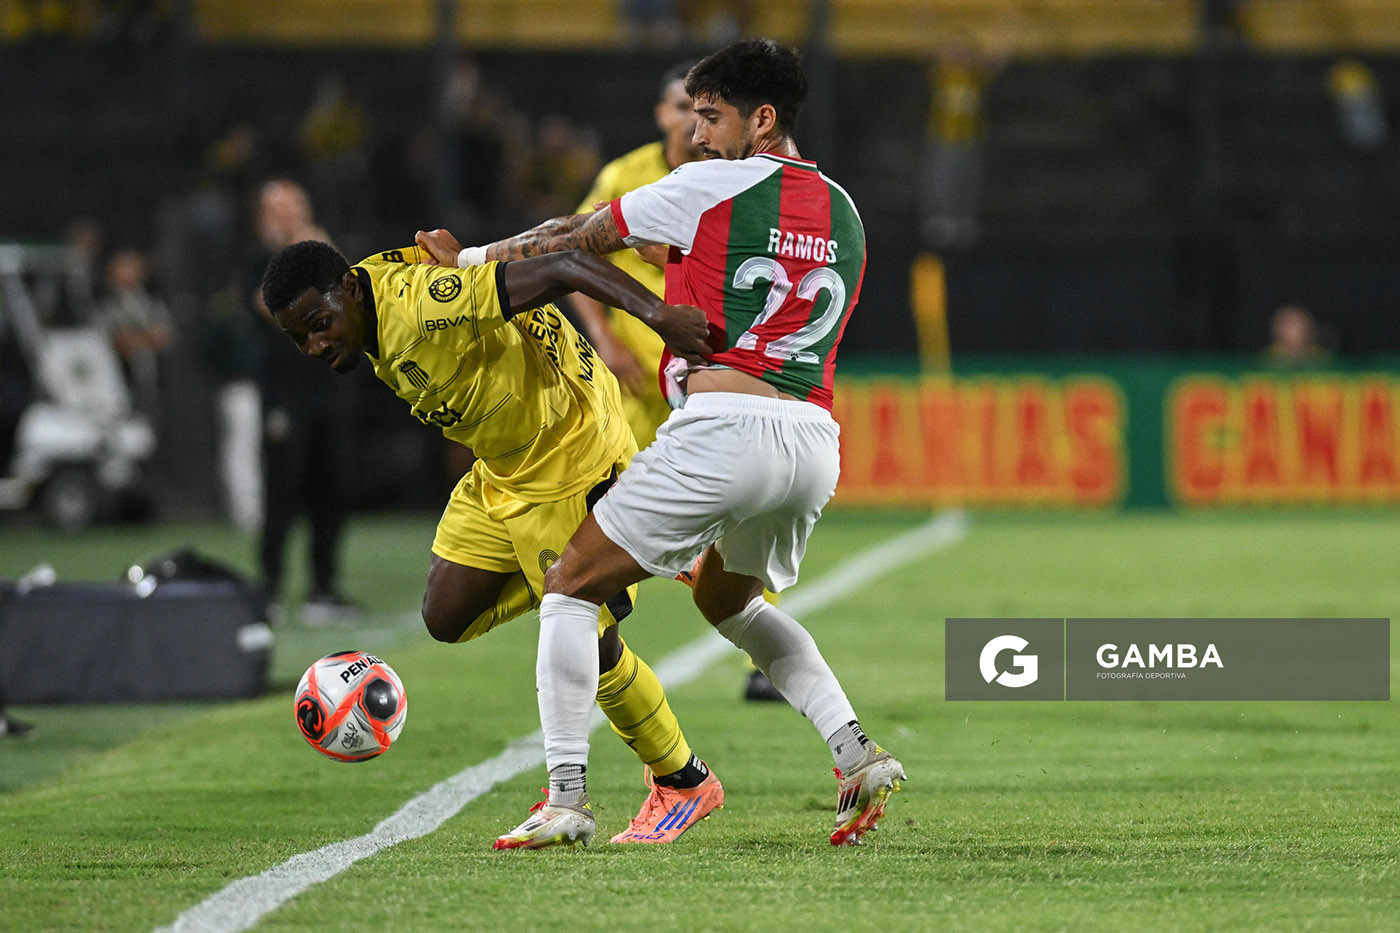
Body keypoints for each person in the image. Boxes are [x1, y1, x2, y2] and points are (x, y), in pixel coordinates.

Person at [417, 38, 905, 849]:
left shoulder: (708, 183)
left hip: (725, 431)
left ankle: (567, 795)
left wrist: (467, 261)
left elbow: (570, 237)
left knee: (570, 586)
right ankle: (857, 751)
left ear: (762, 118)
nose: (696, 132)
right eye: (691, 115)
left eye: (710, 115)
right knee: (730, 599)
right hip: (812, 439)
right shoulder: (843, 207)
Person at [259, 238, 719, 849]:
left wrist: (657, 316)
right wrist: (464, 256)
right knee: (445, 616)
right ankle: (641, 551)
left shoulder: (420, 306)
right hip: (501, 468)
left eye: (319, 325)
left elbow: (561, 268)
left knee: (590, 637)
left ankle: (682, 779)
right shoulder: (370, 293)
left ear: (347, 290)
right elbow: (449, 254)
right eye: (301, 338)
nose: (316, 345)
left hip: (566, 450)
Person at [570, 60, 785, 703]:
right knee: (601, 499)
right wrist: (605, 341)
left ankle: (757, 654)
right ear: (662, 115)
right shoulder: (626, 176)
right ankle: (597, 628)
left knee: (740, 512)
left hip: (708, 375)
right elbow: (579, 248)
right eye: (679, 109)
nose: (689, 122)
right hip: (635, 377)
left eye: (703, 112)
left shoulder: (734, 179)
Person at [247, 180, 360, 624]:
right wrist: (294, 255)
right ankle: (269, 589)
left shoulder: (323, 256)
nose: (289, 215)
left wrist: (319, 252)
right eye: (279, 208)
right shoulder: (259, 259)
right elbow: (270, 307)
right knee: (283, 488)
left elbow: (349, 298)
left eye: (296, 206)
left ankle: (323, 589)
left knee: (332, 488)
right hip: (285, 393)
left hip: (327, 389)